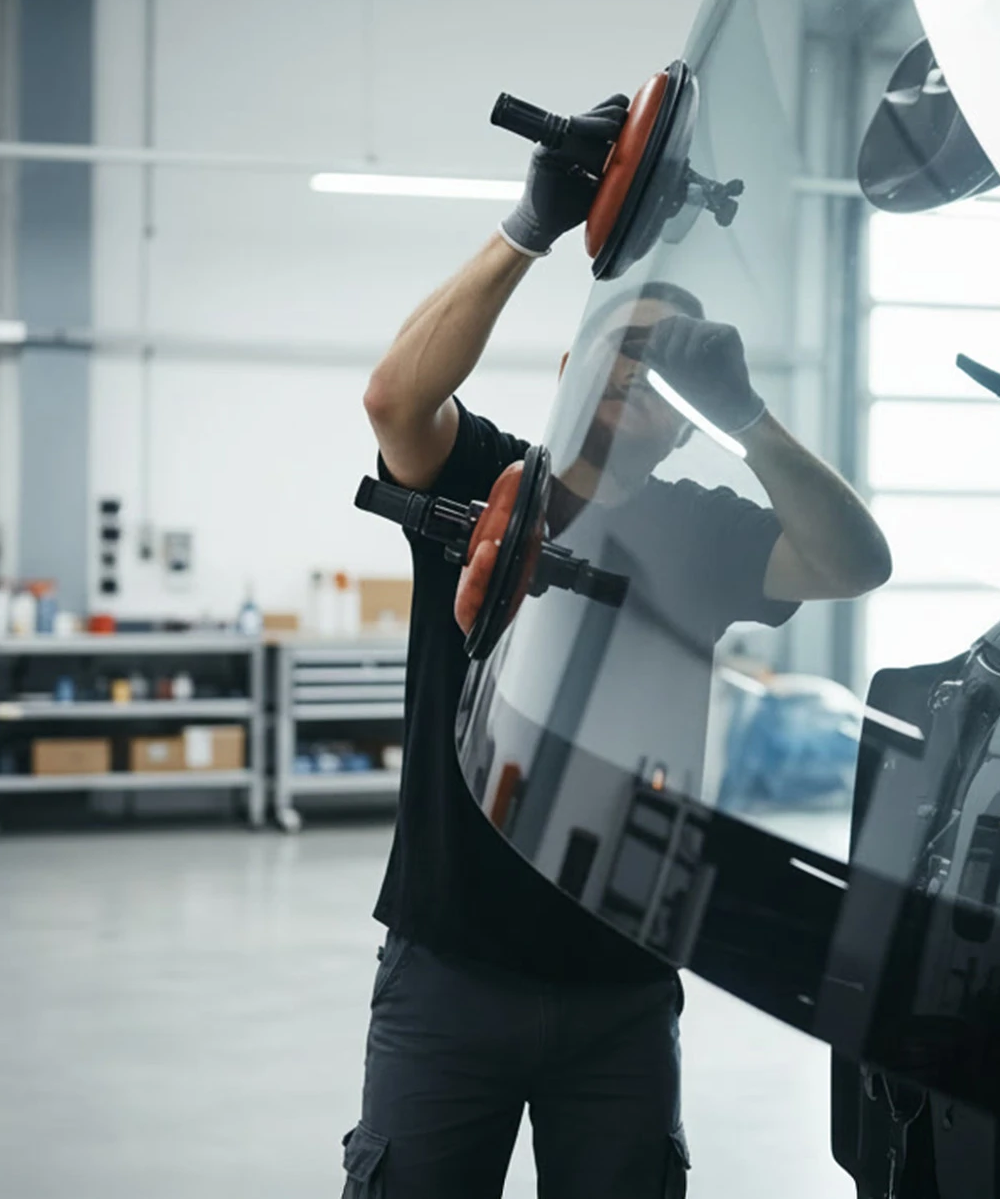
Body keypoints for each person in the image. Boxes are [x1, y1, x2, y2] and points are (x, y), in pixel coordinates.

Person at [346, 93, 892, 1199]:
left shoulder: (704, 530)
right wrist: (525, 230)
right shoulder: (488, 480)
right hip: (448, 972)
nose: (640, 388)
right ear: (569, 373)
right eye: (620, 359)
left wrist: (746, 416)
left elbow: (854, 563)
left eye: (668, 377)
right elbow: (396, 396)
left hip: (623, 985)